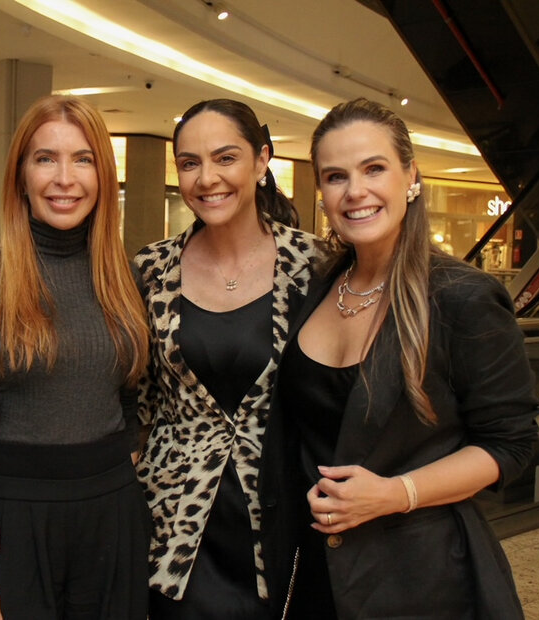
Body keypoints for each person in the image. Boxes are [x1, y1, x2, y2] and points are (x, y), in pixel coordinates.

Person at [270, 98, 539, 618]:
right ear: (321, 192)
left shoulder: (462, 296)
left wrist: (397, 492)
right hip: (324, 575)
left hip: (422, 577)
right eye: (335, 176)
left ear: (411, 176)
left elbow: (511, 442)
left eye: (374, 168)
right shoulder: (322, 282)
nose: (356, 191)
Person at [0, 95, 151, 620]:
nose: (64, 178)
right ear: (21, 176)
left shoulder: (126, 280)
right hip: (12, 526)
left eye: (83, 159)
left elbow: (129, 401)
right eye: (45, 158)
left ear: (103, 176)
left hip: (112, 517)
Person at [134, 99, 323, 619]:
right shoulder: (150, 269)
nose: (206, 178)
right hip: (173, 516)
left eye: (225, 158)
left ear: (262, 161)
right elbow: (138, 398)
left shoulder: (314, 266)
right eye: (190, 163)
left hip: (280, 509)